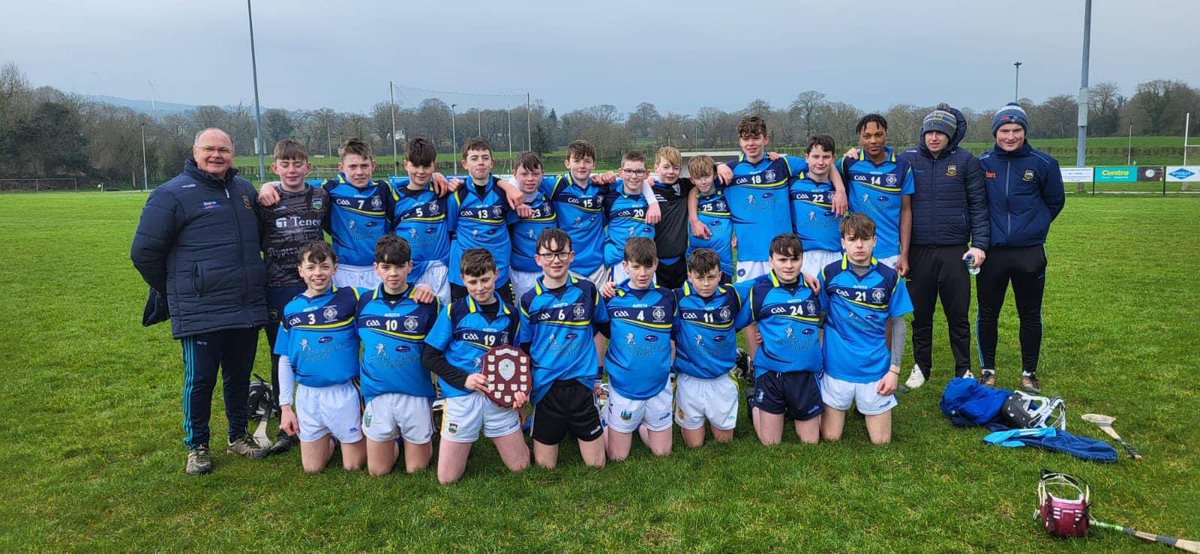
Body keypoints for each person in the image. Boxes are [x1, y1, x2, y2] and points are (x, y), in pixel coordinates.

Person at [131, 127, 268, 475]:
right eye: (209, 148)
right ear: (195, 152)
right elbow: (144, 252)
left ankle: (238, 436)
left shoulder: (244, 191)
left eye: (223, 149)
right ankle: (197, 446)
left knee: (238, 376)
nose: (216, 155)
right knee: (200, 380)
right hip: (201, 307)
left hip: (245, 303)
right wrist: (176, 288)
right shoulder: (171, 194)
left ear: (233, 153)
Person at [692, 115, 846, 363]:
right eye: (746, 139)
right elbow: (695, 187)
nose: (751, 143)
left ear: (766, 139)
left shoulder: (782, 164)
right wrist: (717, 166)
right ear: (740, 141)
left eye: (756, 138)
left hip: (784, 255)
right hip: (750, 254)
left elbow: (822, 165)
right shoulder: (730, 171)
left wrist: (839, 189)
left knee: (788, 309)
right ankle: (757, 366)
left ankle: (791, 360)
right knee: (750, 310)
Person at [897, 105, 990, 390]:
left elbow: (978, 207)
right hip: (919, 250)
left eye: (940, 132)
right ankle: (921, 367)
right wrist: (853, 155)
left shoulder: (966, 161)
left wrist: (979, 245)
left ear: (950, 135)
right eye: (930, 132)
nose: (934, 137)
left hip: (955, 251)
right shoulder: (907, 159)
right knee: (921, 315)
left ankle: (963, 368)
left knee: (958, 314)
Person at [976, 103, 1066, 393]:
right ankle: (988, 370)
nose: (1010, 136)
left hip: (1029, 253)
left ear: (1025, 132)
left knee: (1030, 314)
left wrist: (1034, 226)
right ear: (995, 132)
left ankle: (1029, 372)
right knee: (987, 313)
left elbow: (1055, 201)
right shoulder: (983, 163)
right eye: (1004, 130)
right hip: (992, 253)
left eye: (1017, 130)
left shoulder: (1044, 163)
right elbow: (975, 203)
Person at [423, 248, 529, 484]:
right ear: (463, 280)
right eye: (473, 282)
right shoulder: (454, 312)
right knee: (447, 478)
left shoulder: (511, 315)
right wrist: (464, 380)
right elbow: (429, 357)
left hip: (498, 397)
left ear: (496, 274)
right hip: (461, 397)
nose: (480, 287)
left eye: (485, 280)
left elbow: (518, 360)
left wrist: (520, 396)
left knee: (521, 467)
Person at [257, 138, 329, 454]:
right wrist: (264, 187)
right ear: (275, 167)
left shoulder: (321, 196)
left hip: (316, 285)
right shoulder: (266, 200)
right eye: (285, 164)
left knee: (323, 346)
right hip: (278, 287)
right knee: (282, 353)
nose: (291, 169)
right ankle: (286, 417)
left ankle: (326, 414)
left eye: (297, 163)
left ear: (307, 167)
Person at [819, 213, 913, 445]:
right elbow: (817, 318)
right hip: (836, 369)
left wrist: (894, 371)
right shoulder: (829, 274)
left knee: (881, 441)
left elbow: (898, 324)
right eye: (852, 239)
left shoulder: (890, 277)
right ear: (843, 243)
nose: (859, 245)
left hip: (875, 370)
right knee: (830, 438)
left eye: (865, 239)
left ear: (874, 241)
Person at [518, 228, 609, 469]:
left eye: (561, 253)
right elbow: (524, 347)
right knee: (545, 466)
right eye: (548, 255)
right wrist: (523, 390)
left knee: (597, 464)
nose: (555, 260)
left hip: (581, 382)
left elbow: (604, 326)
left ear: (572, 256)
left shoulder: (587, 290)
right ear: (538, 259)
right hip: (547, 386)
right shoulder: (529, 300)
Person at [276, 241, 367, 473]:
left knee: (353, 466)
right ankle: (331, 436)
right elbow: (284, 358)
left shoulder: (352, 297)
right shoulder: (291, 309)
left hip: (343, 392)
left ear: (335, 268)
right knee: (312, 468)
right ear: (301, 271)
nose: (318, 273)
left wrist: (418, 290)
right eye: (311, 267)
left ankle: (380, 437)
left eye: (325, 266)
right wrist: (286, 407)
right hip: (308, 395)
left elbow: (389, 292)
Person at [357, 235, 439, 476]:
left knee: (416, 469)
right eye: (386, 267)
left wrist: (427, 288)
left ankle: (421, 435)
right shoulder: (362, 301)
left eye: (399, 266)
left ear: (410, 266)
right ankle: (392, 438)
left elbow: (440, 347)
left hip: (415, 394)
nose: (393, 273)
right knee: (377, 471)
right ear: (376, 268)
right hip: (377, 394)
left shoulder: (427, 302)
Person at [740, 233, 825, 445]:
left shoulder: (814, 288)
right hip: (771, 374)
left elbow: (828, 321)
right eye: (782, 259)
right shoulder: (757, 290)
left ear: (802, 259)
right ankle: (754, 401)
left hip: (805, 374)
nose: (788, 266)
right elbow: (723, 301)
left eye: (794, 259)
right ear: (770, 260)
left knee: (811, 441)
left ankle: (791, 406)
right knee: (770, 442)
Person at [599, 237, 676, 461]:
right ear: (625, 266)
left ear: (656, 264)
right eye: (635, 266)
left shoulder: (668, 298)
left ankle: (643, 423)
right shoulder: (611, 298)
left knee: (663, 454)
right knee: (617, 457)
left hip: (658, 385)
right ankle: (605, 413)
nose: (642, 273)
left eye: (648, 266)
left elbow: (676, 335)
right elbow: (603, 332)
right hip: (624, 387)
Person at [672, 248, 751, 447]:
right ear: (689, 275)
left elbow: (761, 283)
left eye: (711, 277)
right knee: (694, 445)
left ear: (720, 275)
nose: (706, 284)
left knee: (724, 442)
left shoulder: (731, 294)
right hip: (689, 380)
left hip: (721, 379)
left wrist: (803, 276)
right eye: (700, 278)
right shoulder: (676, 298)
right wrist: (611, 288)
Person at [445, 138, 519, 304]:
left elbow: (511, 227)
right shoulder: (456, 194)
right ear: (464, 164)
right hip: (464, 275)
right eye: (474, 158)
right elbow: (451, 230)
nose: (480, 162)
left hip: (498, 273)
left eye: (485, 158)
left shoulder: (504, 193)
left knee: (503, 317)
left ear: (492, 163)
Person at [840, 114, 914, 272]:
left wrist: (905, 254)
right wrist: (840, 190)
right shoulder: (848, 163)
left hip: (890, 253)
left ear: (886, 134)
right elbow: (820, 168)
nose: (873, 141)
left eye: (878, 135)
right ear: (860, 138)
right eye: (867, 136)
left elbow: (906, 210)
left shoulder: (902, 166)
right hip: (856, 251)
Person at [390, 137, 452, 306]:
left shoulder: (443, 190)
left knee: (442, 317)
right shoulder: (393, 196)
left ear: (434, 165)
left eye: (426, 166)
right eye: (415, 166)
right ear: (406, 164)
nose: (421, 171)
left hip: (441, 269)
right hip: (409, 270)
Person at [790, 134, 845, 279]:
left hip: (835, 254)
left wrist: (840, 189)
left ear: (833, 159)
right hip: (804, 255)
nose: (820, 162)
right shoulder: (792, 183)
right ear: (806, 157)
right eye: (815, 157)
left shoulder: (842, 184)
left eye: (826, 157)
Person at [508, 151, 558, 303]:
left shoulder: (549, 194)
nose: (530, 179)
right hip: (521, 272)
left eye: (535, 174)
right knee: (525, 312)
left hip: (550, 269)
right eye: (524, 174)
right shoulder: (506, 201)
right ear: (514, 174)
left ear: (543, 174)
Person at [603, 151, 656, 285]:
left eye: (639, 172)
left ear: (646, 174)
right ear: (620, 172)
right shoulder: (610, 198)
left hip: (646, 264)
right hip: (619, 263)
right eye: (628, 171)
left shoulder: (653, 197)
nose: (633, 176)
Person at [648, 146, 694, 288]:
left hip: (680, 261)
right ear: (656, 168)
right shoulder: (647, 189)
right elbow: (625, 182)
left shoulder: (685, 186)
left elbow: (707, 174)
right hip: (654, 262)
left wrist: (720, 166)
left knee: (681, 299)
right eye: (666, 167)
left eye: (675, 168)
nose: (671, 172)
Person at [686, 155, 734, 282]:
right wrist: (694, 220)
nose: (703, 182)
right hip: (697, 260)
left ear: (714, 174)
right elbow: (693, 192)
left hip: (723, 262)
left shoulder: (725, 189)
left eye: (706, 176)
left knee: (725, 292)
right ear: (692, 180)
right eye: (698, 178)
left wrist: (720, 164)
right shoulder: (691, 193)